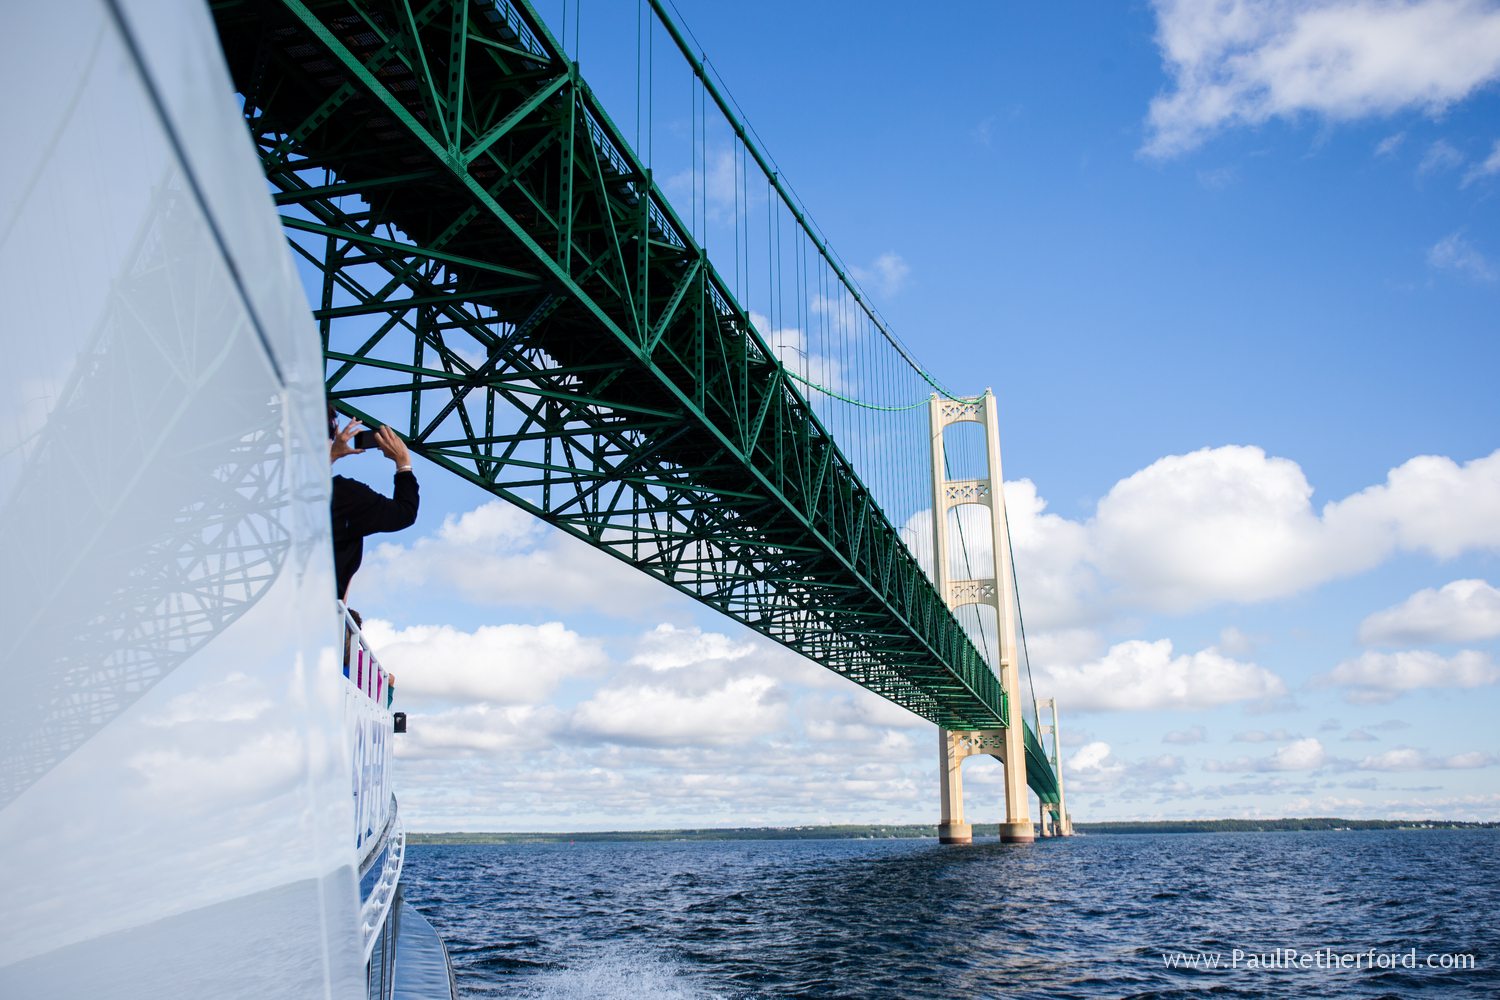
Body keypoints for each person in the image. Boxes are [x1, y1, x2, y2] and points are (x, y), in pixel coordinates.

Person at [329, 408, 419, 601]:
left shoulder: (267, 497)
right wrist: (403, 462)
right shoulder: (346, 496)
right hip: (317, 614)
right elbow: (404, 513)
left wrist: (329, 456)